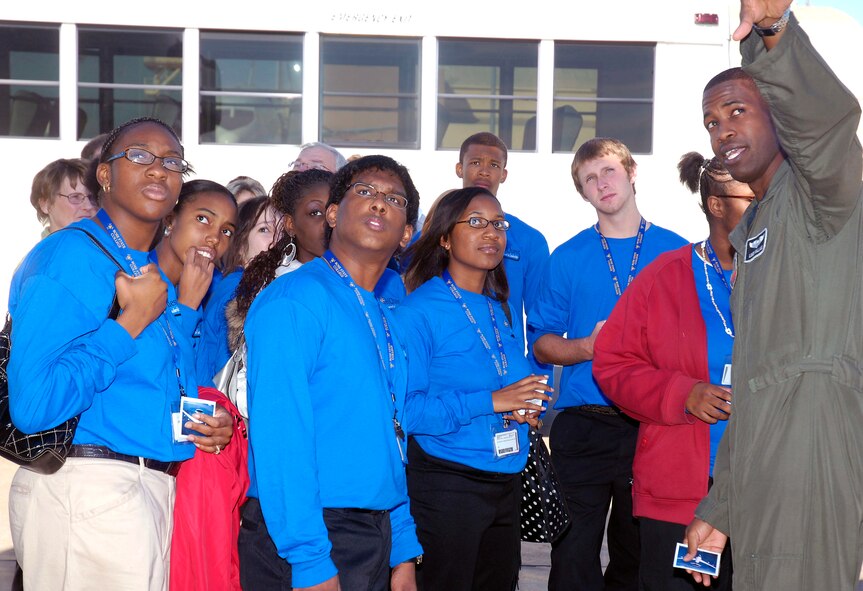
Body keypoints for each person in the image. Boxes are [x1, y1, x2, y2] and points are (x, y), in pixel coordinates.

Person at [7, 116, 232, 591]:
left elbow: (156, 390)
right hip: (87, 490)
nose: (158, 169)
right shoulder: (71, 255)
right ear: (104, 175)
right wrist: (127, 324)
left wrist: (207, 425)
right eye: (139, 155)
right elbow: (33, 405)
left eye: (172, 161)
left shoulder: (145, 270)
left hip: (146, 492)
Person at [684, 2, 863, 590]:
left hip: (813, 448)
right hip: (766, 463)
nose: (722, 130)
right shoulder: (757, 228)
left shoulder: (823, 196)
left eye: (738, 111)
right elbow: (756, 386)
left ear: (781, 116)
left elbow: (826, 125)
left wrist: (772, 34)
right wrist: (721, 508)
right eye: (711, 121)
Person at [240, 155, 422, 590]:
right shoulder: (294, 301)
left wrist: (402, 549)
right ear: (334, 214)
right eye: (365, 192)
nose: (379, 203)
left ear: (406, 235)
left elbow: (390, 438)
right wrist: (310, 561)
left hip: (369, 532)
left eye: (394, 199)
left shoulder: (381, 314)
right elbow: (282, 437)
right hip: (308, 535)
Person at [529, 137, 688, 591]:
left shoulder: (678, 253)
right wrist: (587, 347)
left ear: (632, 171)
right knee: (573, 557)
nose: (602, 183)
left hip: (652, 424)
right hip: (584, 424)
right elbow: (540, 343)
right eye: (589, 179)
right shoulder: (568, 257)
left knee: (638, 555)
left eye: (609, 171)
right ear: (583, 193)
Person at [592, 152, 754, 591]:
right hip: (681, 494)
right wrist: (682, 393)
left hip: (766, 489)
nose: (765, 203)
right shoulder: (665, 276)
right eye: (752, 195)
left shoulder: (786, 274)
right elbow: (612, 363)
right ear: (717, 205)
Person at [398, 187, 551, 590]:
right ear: (445, 238)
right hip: (448, 483)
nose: (492, 233)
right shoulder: (417, 311)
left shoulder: (497, 305)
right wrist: (493, 400)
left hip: (506, 479)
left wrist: (522, 408)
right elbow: (408, 413)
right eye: (477, 222)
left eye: (498, 224)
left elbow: (503, 380)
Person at [455, 132, 551, 375]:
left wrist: (537, 388)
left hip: (508, 373)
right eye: (475, 162)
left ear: (504, 174)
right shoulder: (433, 233)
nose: (484, 171)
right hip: (447, 372)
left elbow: (542, 323)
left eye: (494, 165)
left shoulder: (530, 240)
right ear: (459, 168)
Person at [29, 157, 98, 238]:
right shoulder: (47, 250)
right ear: (45, 205)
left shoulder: (110, 246)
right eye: (75, 197)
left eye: (92, 197)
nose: (88, 206)